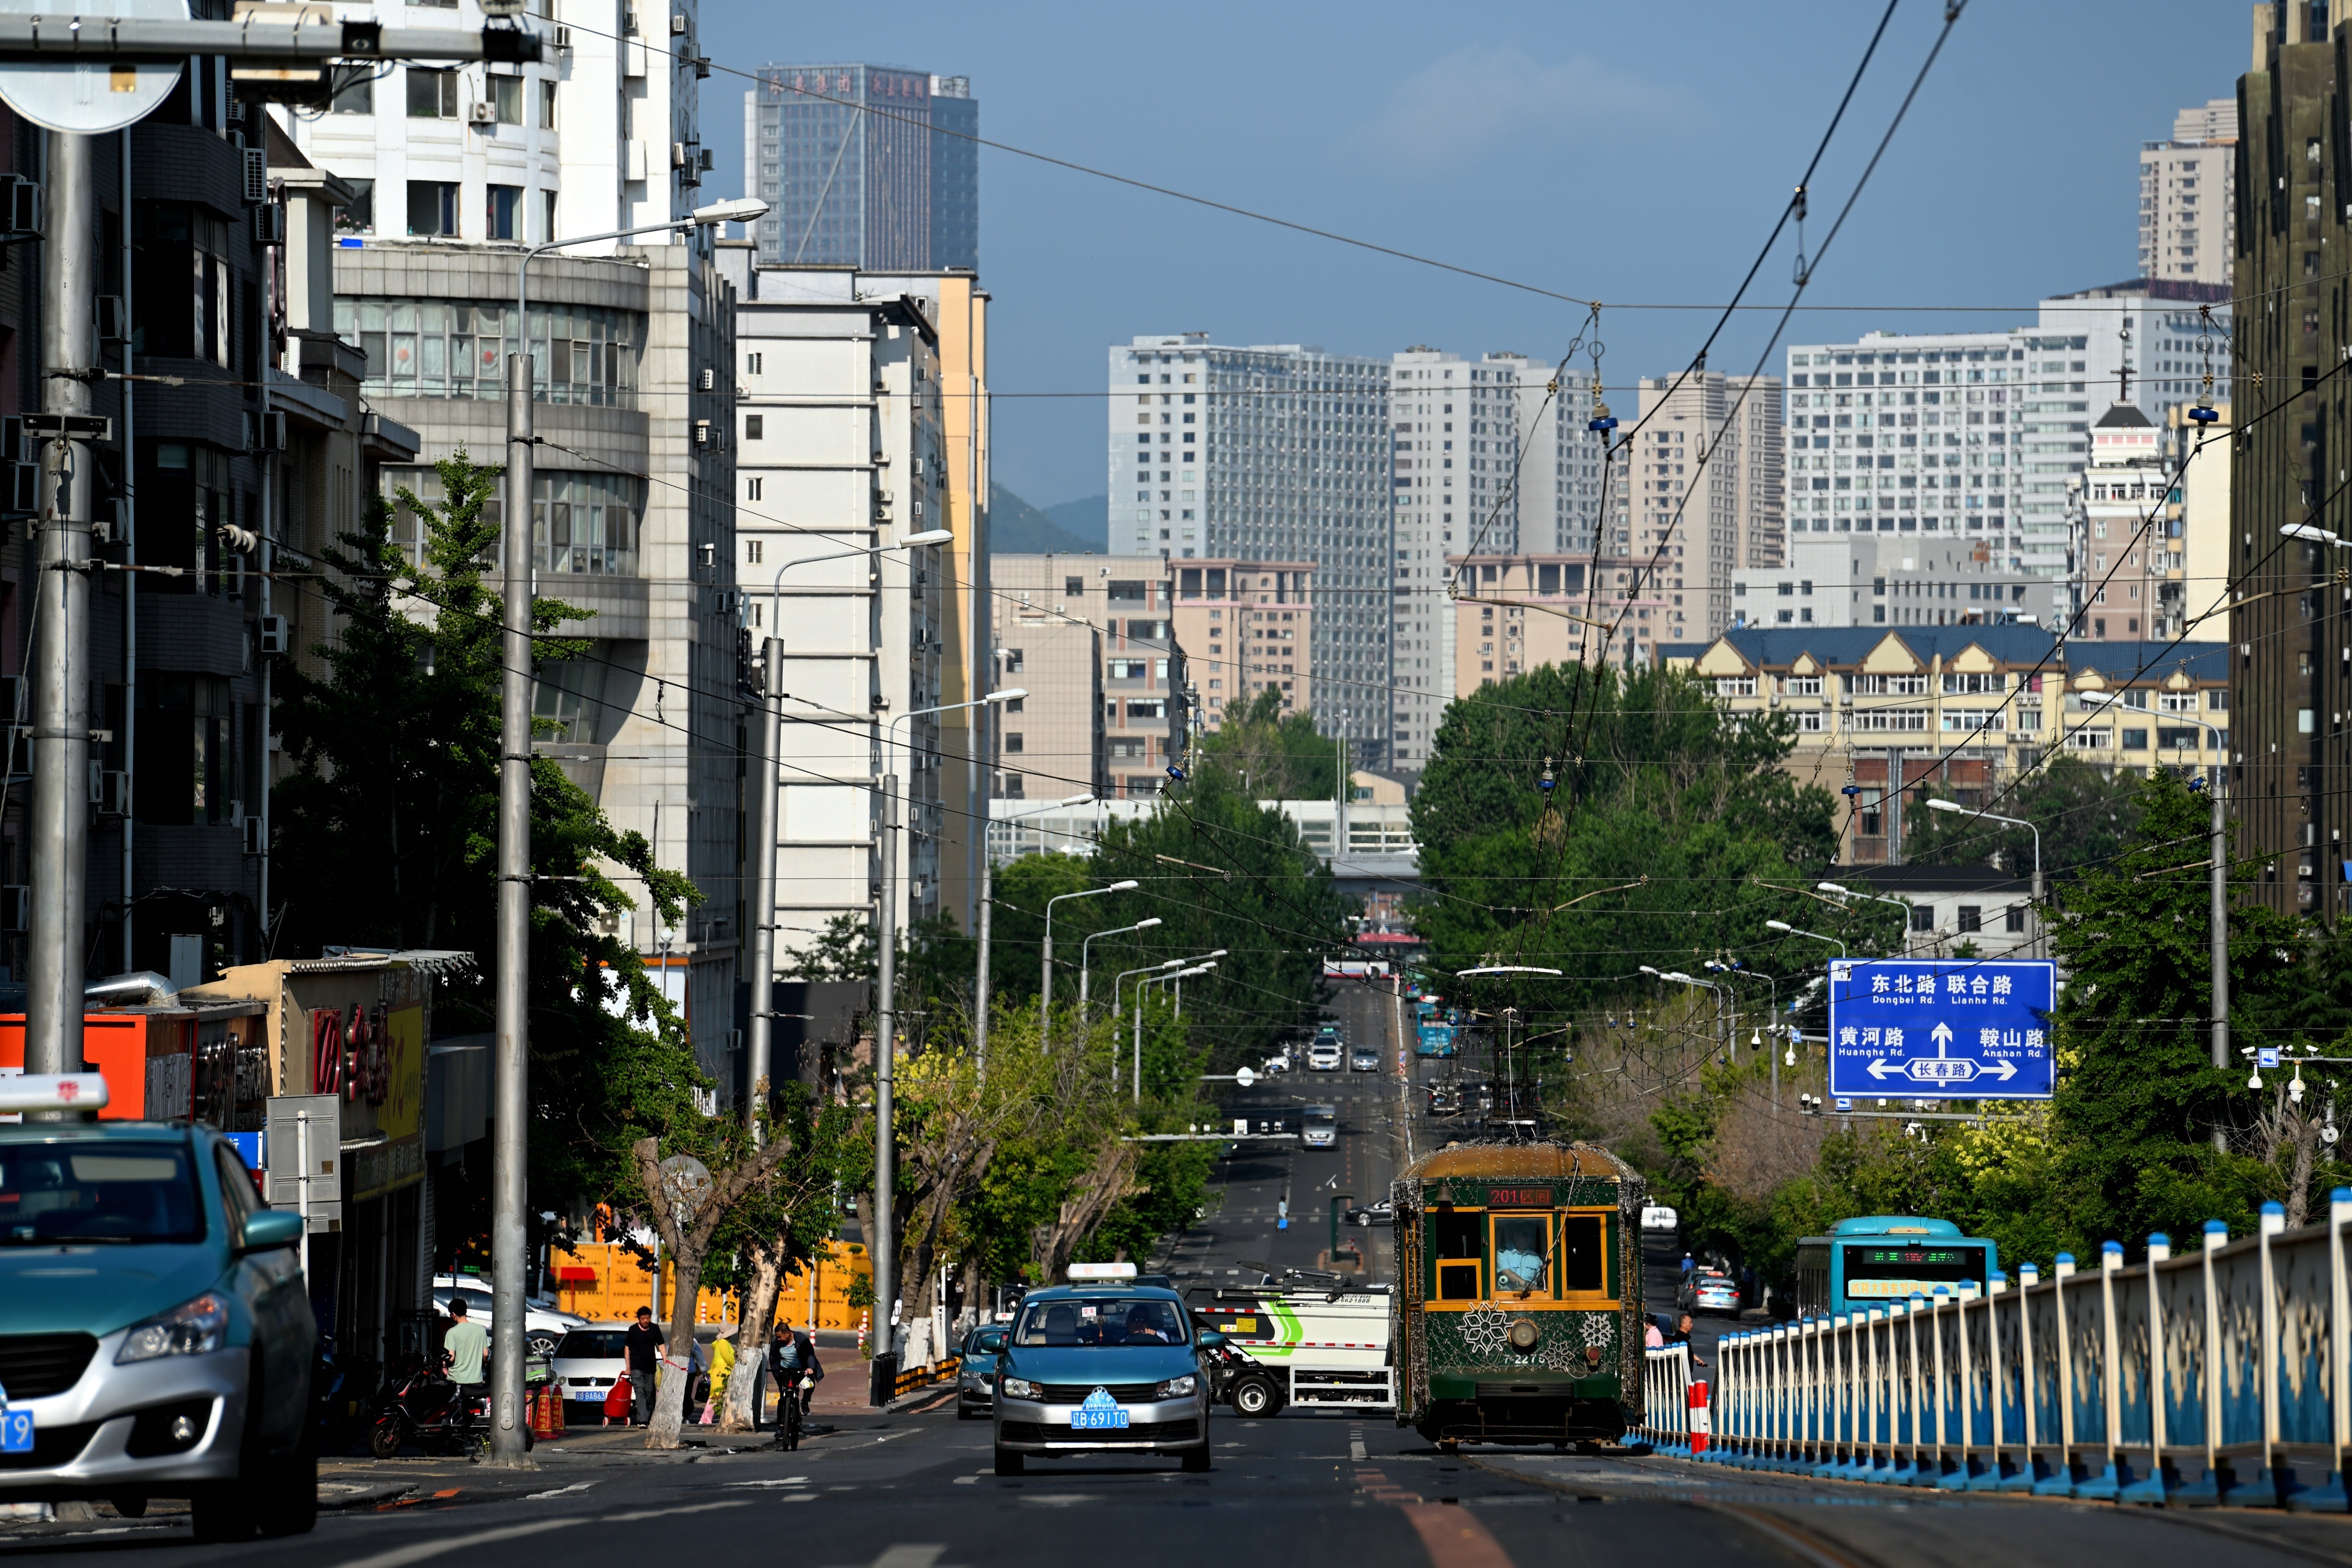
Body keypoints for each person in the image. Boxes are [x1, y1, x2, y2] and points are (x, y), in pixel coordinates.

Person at [442, 1297, 489, 1448]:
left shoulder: (452, 1332)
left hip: (457, 1380)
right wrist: (481, 1365)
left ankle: (455, 1441)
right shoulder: (480, 1330)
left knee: (453, 1411)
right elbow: (486, 1354)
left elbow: (451, 1357)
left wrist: (445, 1365)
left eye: (451, 1315)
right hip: (475, 1380)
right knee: (471, 1411)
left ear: (454, 1314)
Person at [769, 1318, 824, 1426]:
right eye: (777, 1337)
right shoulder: (777, 1344)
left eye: (780, 1337)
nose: (778, 1339)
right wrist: (777, 1374)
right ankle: (781, 1427)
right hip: (785, 1372)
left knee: (810, 1386)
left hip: (801, 1371)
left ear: (788, 1333)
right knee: (783, 1399)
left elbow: (810, 1354)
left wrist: (810, 1368)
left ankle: (804, 1402)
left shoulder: (800, 1338)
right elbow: (773, 1359)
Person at [622, 1305, 663, 1427]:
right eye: (643, 1318)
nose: (645, 1321)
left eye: (648, 1318)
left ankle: (650, 1417)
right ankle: (642, 1420)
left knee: (650, 1392)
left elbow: (661, 1345)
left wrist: (666, 1361)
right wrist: (628, 1367)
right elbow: (627, 1348)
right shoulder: (633, 1330)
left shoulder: (655, 1329)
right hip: (636, 1367)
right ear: (639, 1319)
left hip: (650, 1367)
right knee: (640, 1392)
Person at [700, 1333, 736, 1425]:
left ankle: (705, 1418)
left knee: (716, 1396)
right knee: (716, 1396)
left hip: (719, 1372)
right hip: (721, 1373)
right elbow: (728, 1358)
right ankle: (706, 1419)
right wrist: (736, 1365)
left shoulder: (722, 1342)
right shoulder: (723, 1343)